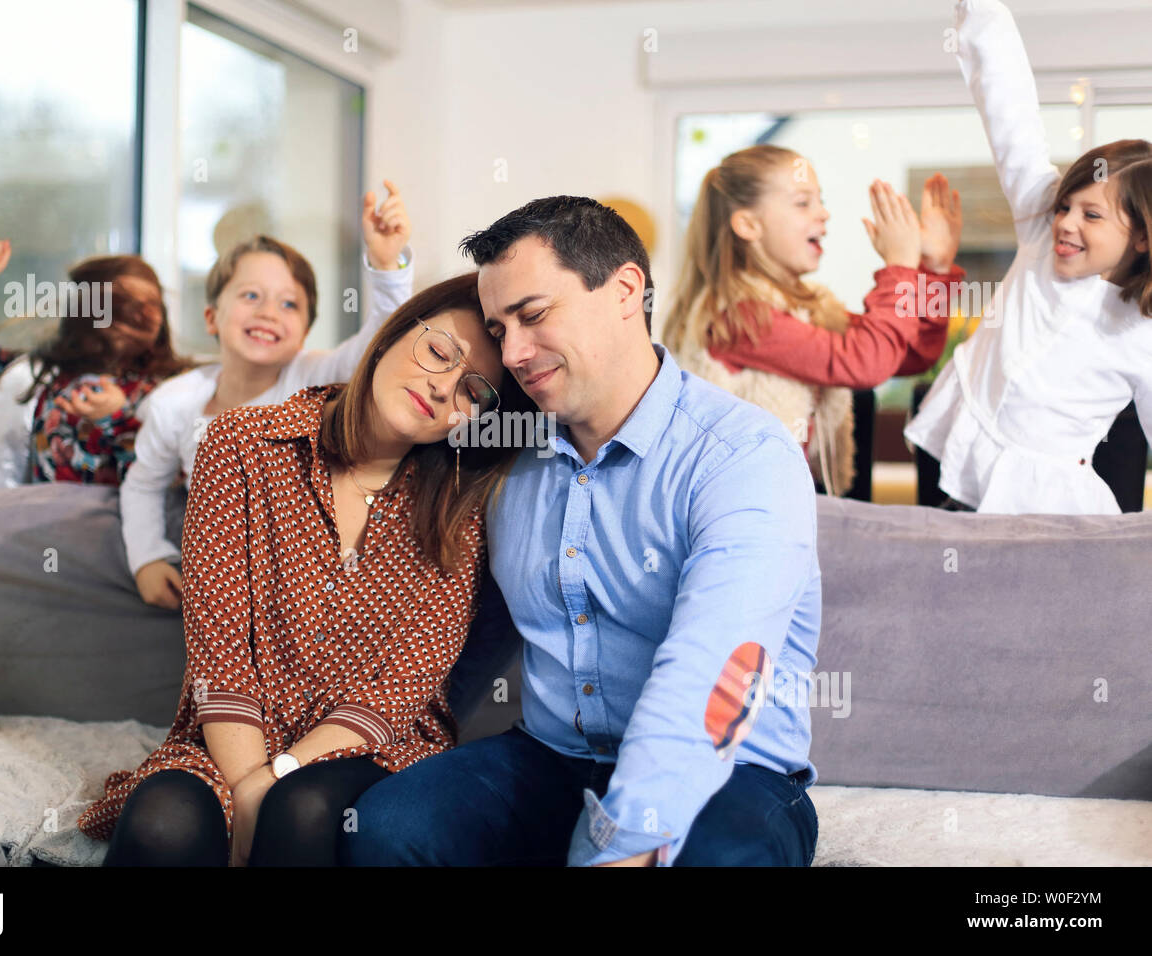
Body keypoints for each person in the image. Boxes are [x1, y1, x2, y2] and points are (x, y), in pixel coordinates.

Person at [342, 196, 821, 867]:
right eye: (499, 329)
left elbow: (711, 673)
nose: (512, 352)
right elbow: (462, 630)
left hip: (730, 773)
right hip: (554, 758)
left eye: (532, 316)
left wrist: (623, 845)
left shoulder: (744, 456)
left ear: (625, 290)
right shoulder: (508, 457)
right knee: (389, 825)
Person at [77, 273, 537, 866]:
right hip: (233, 736)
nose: (444, 387)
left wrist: (283, 774)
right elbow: (219, 655)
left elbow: (406, 681)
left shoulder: (460, 505)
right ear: (395, 333)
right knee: (164, 823)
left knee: (303, 806)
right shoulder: (241, 444)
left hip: (372, 746)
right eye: (438, 350)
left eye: (474, 391)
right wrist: (248, 782)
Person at [905, 0, 1152, 514]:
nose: (1065, 222)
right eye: (1065, 205)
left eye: (1092, 215)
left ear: (1143, 237)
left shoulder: (1141, 330)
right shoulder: (1041, 230)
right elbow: (1010, 112)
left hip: (1042, 497)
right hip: (961, 451)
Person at [124, 182, 415, 609]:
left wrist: (387, 265)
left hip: (306, 579)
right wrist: (148, 557)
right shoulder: (175, 402)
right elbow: (142, 485)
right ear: (211, 317)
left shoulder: (314, 377)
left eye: (289, 305)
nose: (267, 312)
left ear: (305, 334)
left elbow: (382, 343)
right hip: (223, 580)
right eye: (250, 296)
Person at [663, 146, 965, 496]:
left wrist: (935, 269)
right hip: (749, 506)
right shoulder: (739, 317)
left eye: (820, 200)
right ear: (748, 224)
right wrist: (899, 268)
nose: (824, 213)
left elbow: (912, 353)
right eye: (803, 202)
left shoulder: (810, 308)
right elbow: (866, 362)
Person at [0, 243, 193, 485]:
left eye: (152, 305)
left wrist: (117, 419)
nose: (142, 315)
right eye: (123, 305)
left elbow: (176, 480)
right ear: (86, 309)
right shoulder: (39, 375)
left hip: (129, 526)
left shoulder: (176, 386)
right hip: (42, 524)